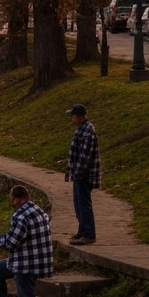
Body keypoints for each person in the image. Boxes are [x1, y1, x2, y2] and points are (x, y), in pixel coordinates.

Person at [63, 103, 100, 244]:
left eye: (73, 116)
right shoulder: (81, 129)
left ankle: (89, 234)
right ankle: (82, 230)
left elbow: (85, 157)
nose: (72, 119)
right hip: (78, 175)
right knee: (78, 204)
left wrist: (77, 172)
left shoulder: (87, 131)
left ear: (79, 117)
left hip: (83, 175)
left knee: (84, 204)